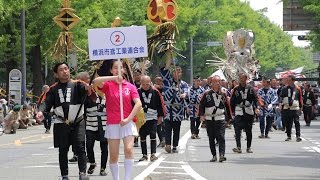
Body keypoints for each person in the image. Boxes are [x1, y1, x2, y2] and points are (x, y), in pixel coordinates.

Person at [36, 62, 90, 180]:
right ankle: (64, 175)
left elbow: (86, 91)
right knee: (63, 150)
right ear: (56, 74)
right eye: (61, 70)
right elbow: (46, 103)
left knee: (80, 147)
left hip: (78, 121)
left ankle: (82, 173)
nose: (65, 71)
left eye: (66, 69)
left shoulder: (77, 84)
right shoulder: (53, 89)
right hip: (61, 122)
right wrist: (41, 112)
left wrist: (87, 87)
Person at [93, 59, 142, 180]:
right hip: (113, 123)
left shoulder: (130, 87)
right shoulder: (108, 85)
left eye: (120, 67)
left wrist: (128, 119)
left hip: (127, 122)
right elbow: (95, 81)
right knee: (114, 155)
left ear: (124, 70)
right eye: (115, 67)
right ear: (111, 70)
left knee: (129, 149)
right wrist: (112, 78)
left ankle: (127, 178)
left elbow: (138, 104)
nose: (118, 70)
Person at [76, 72, 108, 176]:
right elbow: (83, 108)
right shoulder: (88, 93)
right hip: (90, 122)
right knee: (89, 146)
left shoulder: (106, 93)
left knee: (104, 147)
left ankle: (103, 168)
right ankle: (93, 163)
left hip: (104, 123)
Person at [160, 51, 188, 153]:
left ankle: (175, 146)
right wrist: (169, 57)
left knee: (176, 129)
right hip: (168, 109)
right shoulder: (167, 80)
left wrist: (184, 94)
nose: (177, 74)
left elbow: (186, 92)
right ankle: (168, 144)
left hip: (178, 110)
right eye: (175, 72)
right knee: (167, 128)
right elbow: (166, 68)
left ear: (181, 74)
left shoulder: (183, 84)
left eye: (179, 72)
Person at [199, 75, 232, 162]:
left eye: (218, 81)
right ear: (211, 83)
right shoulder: (206, 94)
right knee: (211, 138)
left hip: (220, 118)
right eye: (215, 81)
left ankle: (221, 155)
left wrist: (229, 119)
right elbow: (201, 105)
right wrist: (201, 115)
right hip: (209, 119)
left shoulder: (223, 94)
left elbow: (227, 107)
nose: (217, 83)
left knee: (221, 137)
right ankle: (214, 155)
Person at [230, 73, 261, 153]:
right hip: (239, 110)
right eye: (240, 78)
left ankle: (248, 147)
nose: (241, 80)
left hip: (248, 110)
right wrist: (231, 113)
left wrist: (257, 108)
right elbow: (232, 101)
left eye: (243, 78)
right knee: (237, 129)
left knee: (248, 130)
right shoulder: (236, 89)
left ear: (246, 79)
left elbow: (256, 99)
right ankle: (238, 147)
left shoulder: (251, 88)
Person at [138, 75, 165, 161]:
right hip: (141, 118)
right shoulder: (137, 92)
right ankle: (144, 154)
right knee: (142, 136)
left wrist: (160, 116)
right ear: (140, 83)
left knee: (153, 134)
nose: (145, 86)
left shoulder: (155, 92)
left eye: (147, 84)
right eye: (143, 84)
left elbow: (160, 105)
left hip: (153, 117)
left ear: (150, 83)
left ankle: (153, 154)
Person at [279, 75, 303, 142]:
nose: (288, 81)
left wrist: (301, 107)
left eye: (289, 80)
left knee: (296, 121)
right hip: (286, 107)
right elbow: (281, 97)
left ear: (293, 81)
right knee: (288, 122)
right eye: (287, 80)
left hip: (295, 107)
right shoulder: (284, 88)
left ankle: (298, 136)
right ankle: (289, 136)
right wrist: (280, 104)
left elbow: (300, 98)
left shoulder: (298, 88)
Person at [154, 76, 166, 147]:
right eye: (157, 81)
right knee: (158, 125)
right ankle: (161, 140)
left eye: (160, 80)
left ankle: (164, 139)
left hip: (165, 108)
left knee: (164, 125)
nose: (158, 82)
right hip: (157, 109)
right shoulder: (154, 89)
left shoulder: (165, 89)